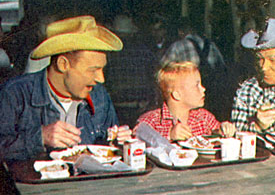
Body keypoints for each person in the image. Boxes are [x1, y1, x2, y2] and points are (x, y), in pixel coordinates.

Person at [0, 16, 132, 163]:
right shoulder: (15, 94)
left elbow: (106, 151)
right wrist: (41, 137)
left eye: (102, 69)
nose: (101, 79)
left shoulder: (99, 96)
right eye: (93, 70)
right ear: (63, 64)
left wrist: (118, 144)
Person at [133, 61, 235, 141]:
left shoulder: (204, 117)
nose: (203, 89)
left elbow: (216, 131)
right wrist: (169, 135)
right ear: (177, 95)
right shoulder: (151, 121)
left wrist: (223, 130)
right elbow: (136, 139)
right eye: (196, 86)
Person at [160, 17, 231, 121]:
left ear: (180, 31)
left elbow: (163, 69)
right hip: (211, 93)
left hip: (187, 95)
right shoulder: (210, 45)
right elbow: (222, 67)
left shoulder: (178, 46)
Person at [104, 14, 159, 128]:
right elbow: (154, 78)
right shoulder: (145, 51)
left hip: (116, 107)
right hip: (141, 107)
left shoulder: (109, 54)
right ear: (133, 32)